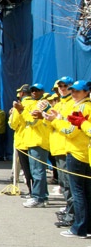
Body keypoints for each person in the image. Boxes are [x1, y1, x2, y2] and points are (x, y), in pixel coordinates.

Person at [45, 80, 91, 238]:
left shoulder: (82, 107)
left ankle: (79, 227)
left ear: (86, 92)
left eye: (77, 91)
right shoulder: (83, 106)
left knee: (78, 192)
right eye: (72, 91)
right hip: (82, 152)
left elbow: (70, 130)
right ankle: (85, 226)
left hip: (77, 152)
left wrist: (55, 121)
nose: (73, 93)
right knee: (85, 192)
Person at [46, 77, 75, 227]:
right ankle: (70, 211)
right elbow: (50, 124)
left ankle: (72, 215)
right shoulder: (60, 104)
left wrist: (55, 120)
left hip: (67, 148)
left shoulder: (72, 105)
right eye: (60, 86)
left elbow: (69, 127)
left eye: (65, 86)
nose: (62, 88)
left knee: (70, 185)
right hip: (57, 147)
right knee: (64, 184)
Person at [19, 83, 51, 208]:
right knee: (36, 170)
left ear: (42, 91)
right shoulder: (32, 103)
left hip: (39, 141)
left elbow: (32, 121)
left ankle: (38, 197)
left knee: (37, 171)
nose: (34, 92)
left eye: (37, 90)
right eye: (32, 90)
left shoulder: (43, 104)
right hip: (32, 140)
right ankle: (43, 195)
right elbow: (27, 118)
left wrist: (22, 111)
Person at [9, 84, 34, 197]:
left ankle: (32, 191)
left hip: (22, 140)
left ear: (22, 94)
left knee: (26, 168)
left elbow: (13, 124)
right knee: (37, 169)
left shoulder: (19, 106)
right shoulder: (36, 104)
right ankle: (40, 192)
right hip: (35, 140)